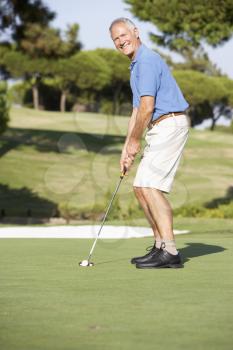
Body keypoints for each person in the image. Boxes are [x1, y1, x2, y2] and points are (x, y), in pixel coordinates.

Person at [109, 18, 189, 269]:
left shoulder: (147, 60)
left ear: (136, 31)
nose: (121, 41)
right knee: (141, 187)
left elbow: (148, 107)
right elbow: (136, 110)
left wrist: (135, 141)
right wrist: (126, 148)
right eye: (116, 39)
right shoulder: (136, 66)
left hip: (170, 123)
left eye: (123, 35)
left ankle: (171, 252)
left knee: (152, 187)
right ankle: (159, 246)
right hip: (158, 127)